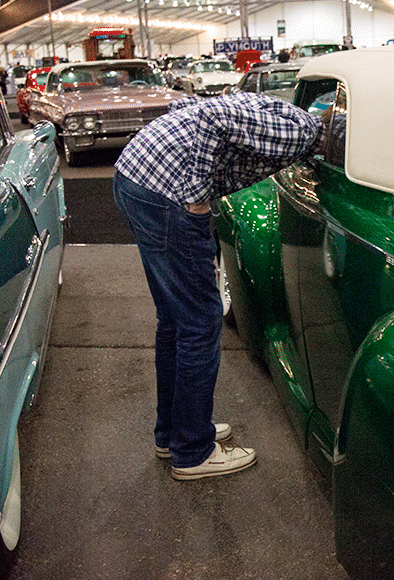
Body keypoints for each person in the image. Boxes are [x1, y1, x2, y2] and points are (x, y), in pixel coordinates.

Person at [112, 93, 324, 480]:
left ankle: (174, 432)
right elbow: (210, 117)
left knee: (174, 321)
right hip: (168, 196)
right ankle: (193, 451)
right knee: (199, 322)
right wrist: (196, 198)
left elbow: (189, 105)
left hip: (136, 175)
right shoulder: (299, 133)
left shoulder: (277, 107)